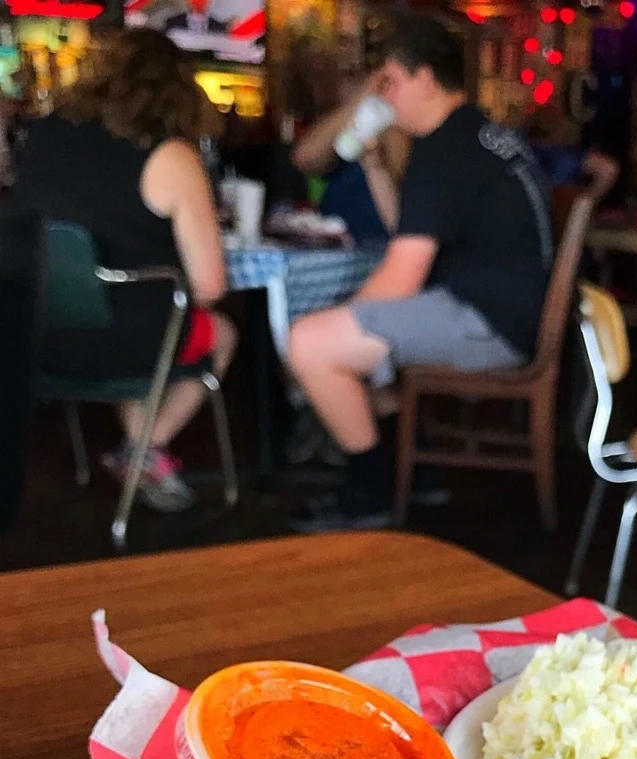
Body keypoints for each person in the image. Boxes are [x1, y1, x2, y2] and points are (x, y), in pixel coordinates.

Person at [286, 15, 552, 533]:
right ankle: (419, 472)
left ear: (425, 79)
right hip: (508, 313)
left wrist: (338, 321)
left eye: (389, 81)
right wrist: (373, 166)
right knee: (350, 340)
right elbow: (406, 230)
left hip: (489, 323)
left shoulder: (443, 150)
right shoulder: (475, 136)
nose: (380, 96)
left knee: (309, 342)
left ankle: (368, 493)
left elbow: (402, 276)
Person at [9, 29, 236, 512]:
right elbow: (210, 285)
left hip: (34, 337)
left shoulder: (40, 139)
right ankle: (143, 449)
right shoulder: (171, 156)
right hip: (127, 345)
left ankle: (142, 453)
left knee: (137, 314)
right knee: (218, 332)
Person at [292, 70, 410, 244]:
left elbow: (398, 219)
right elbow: (303, 159)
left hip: (377, 246)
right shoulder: (344, 125)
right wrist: (361, 101)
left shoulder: (402, 132)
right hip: (331, 244)